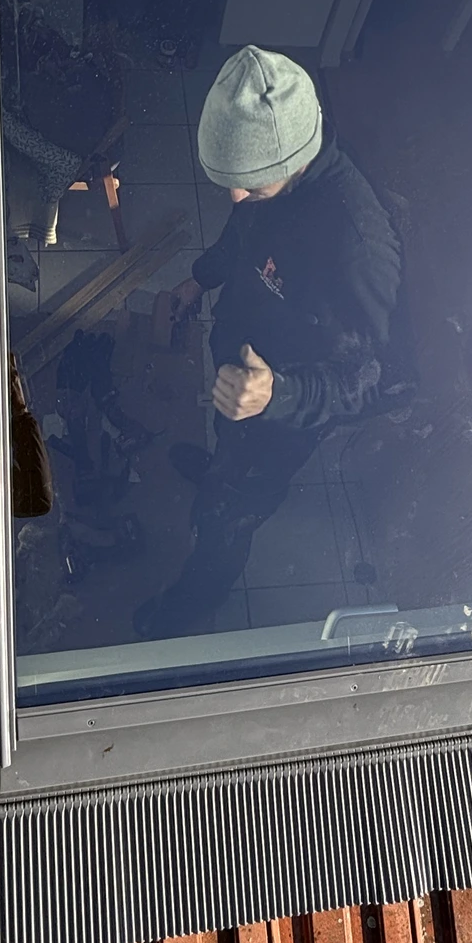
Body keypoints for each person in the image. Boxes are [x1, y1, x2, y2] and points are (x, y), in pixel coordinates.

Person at [134, 45, 404, 641]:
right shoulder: (270, 184)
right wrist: (199, 278)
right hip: (242, 363)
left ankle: (195, 598)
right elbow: (242, 233)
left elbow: (372, 379)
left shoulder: (356, 242)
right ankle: (218, 463)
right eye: (229, 183)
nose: (235, 198)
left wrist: (274, 395)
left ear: (296, 159)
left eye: (250, 187)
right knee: (225, 444)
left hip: (282, 412)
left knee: (228, 515)